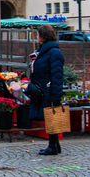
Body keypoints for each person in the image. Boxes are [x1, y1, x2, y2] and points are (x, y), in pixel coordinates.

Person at [29, 24, 65, 156]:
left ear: (43, 36)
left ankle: (53, 145)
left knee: (52, 117)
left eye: (38, 35)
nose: (36, 37)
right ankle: (55, 145)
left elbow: (57, 75)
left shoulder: (54, 53)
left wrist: (55, 95)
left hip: (49, 89)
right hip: (42, 88)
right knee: (50, 117)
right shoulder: (42, 51)